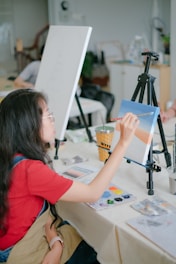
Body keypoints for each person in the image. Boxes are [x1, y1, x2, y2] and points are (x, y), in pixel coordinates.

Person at [0, 89, 139, 263]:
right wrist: (123, 143)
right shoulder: (30, 170)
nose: (53, 121)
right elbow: (93, 193)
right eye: (48, 116)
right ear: (29, 125)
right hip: (22, 250)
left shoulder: (10, 156)